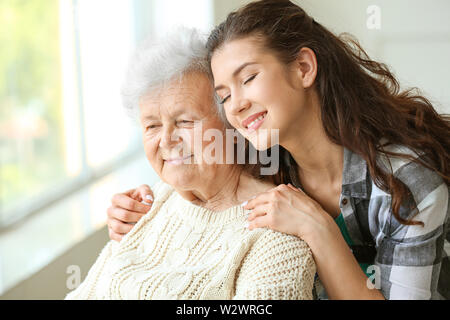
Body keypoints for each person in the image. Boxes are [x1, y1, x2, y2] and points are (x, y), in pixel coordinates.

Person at [110, 0, 449, 300]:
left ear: (303, 68)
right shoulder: (259, 156)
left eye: (248, 78)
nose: (237, 106)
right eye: (225, 95)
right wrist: (142, 208)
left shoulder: (406, 183)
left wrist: (318, 229)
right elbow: (192, 174)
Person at [66, 27, 316, 300]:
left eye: (184, 121)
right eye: (151, 125)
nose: (167, 140)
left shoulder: (276, 234)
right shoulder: (147, 205)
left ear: (231, 124)